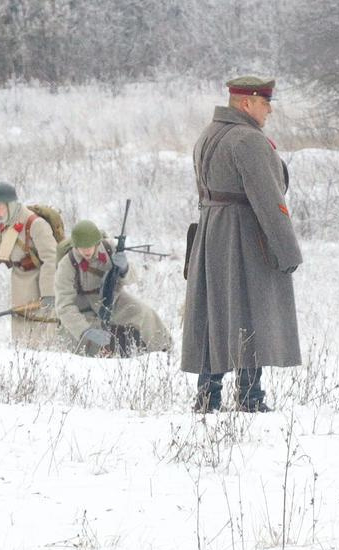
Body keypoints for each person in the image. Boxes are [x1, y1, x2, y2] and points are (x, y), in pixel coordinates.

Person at [179, 73, 302, 413]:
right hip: (244, 235)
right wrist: (287, 250)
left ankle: (208, 395)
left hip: (212, 231)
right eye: (265, 103)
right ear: (246, 103)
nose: (269, 111)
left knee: (214, 314)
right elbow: (269, 200)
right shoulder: (248, 140)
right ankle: (250, 396)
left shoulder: (208, 134)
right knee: (251, 310)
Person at [54, 219, 173, 357]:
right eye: (81, 247)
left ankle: (164, 351)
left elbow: (133, 277)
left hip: (112, 298)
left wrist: (124, 268)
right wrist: (85, 330)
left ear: (97, 243)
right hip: (83, 307)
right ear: (75, 246)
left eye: (90, 246)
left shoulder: (110, 248)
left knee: (144, 313)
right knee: (90, 341)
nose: (86, 251)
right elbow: (64, 306)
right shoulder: (66, 265)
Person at [0, 183, 64, 351]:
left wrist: (48, 293)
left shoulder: (36, 224)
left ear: (10, 205)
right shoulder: (4, 226)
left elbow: (51, 259)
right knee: (21, 334)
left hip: (38, 283)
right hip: (18, 282)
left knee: (40, 334)